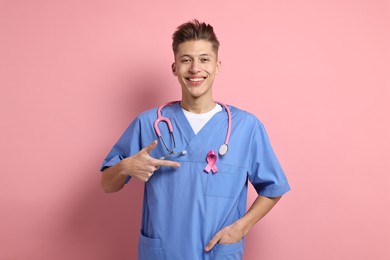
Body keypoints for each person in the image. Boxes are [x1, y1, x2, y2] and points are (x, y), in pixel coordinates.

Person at [100, 19, 290, 260]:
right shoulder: (148, 124)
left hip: (218, 253)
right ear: (174, 67)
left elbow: (274, 188)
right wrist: (125, 166)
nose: (195, 68)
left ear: (217, 66)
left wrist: (242, 226)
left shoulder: (246, 128)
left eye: (204, 59)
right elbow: (107, 184)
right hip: (163, 253)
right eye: (186, 60)